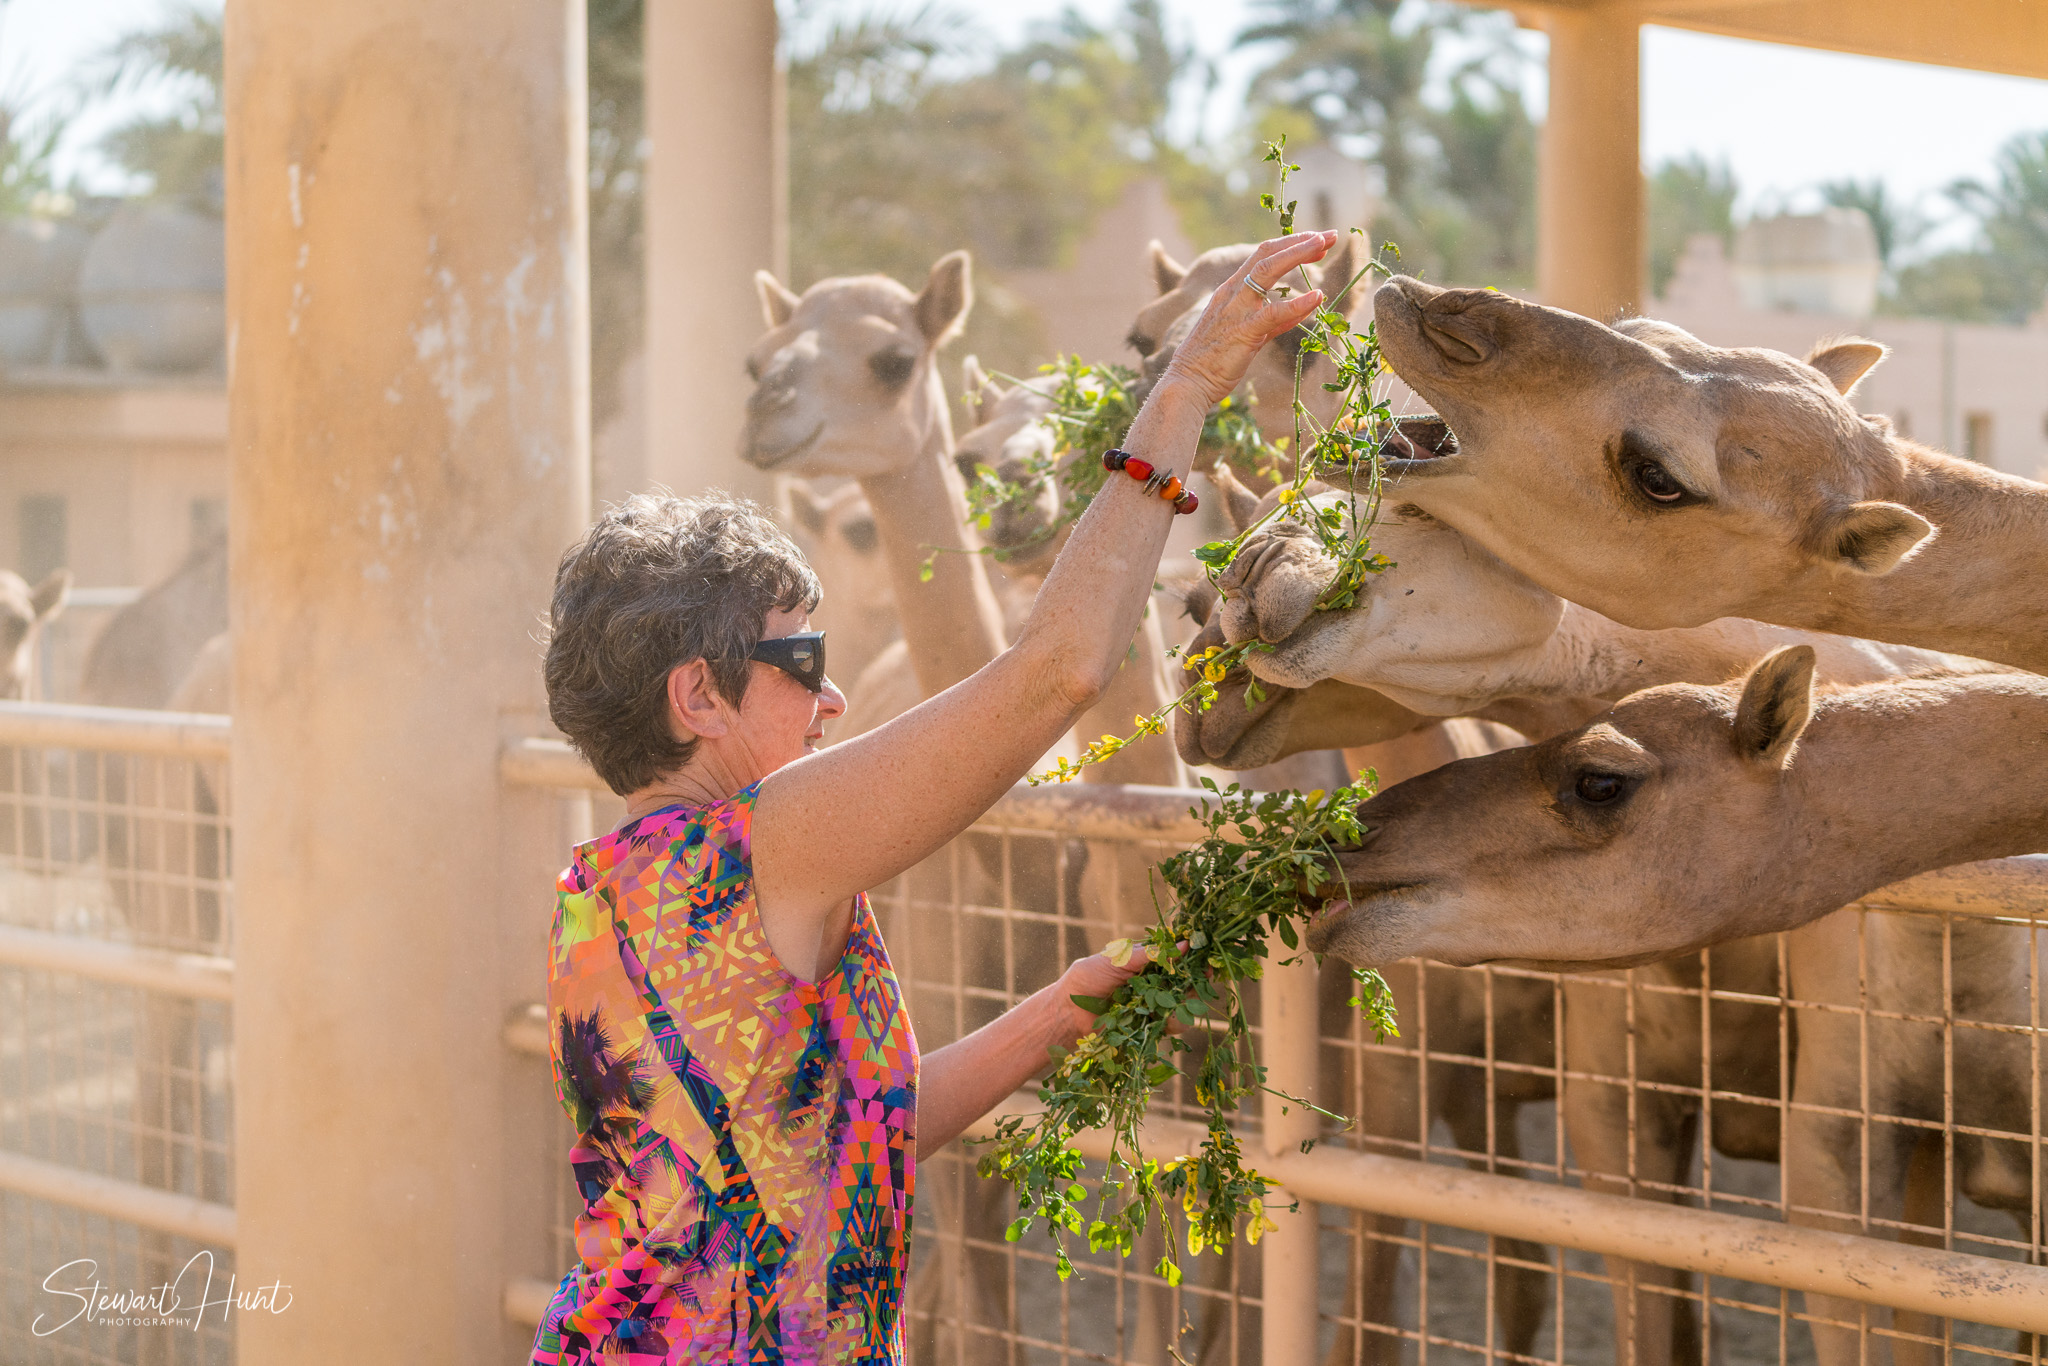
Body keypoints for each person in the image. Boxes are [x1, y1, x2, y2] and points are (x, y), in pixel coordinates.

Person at [528, 231, 1337, 1365]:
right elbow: (1053, 670)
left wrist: (1062, 1008)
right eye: (798, 665)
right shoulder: (766, 846)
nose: (835, 693)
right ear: (696, 697)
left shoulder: (596, 891)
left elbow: (856, 1133)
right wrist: (1186, 389)